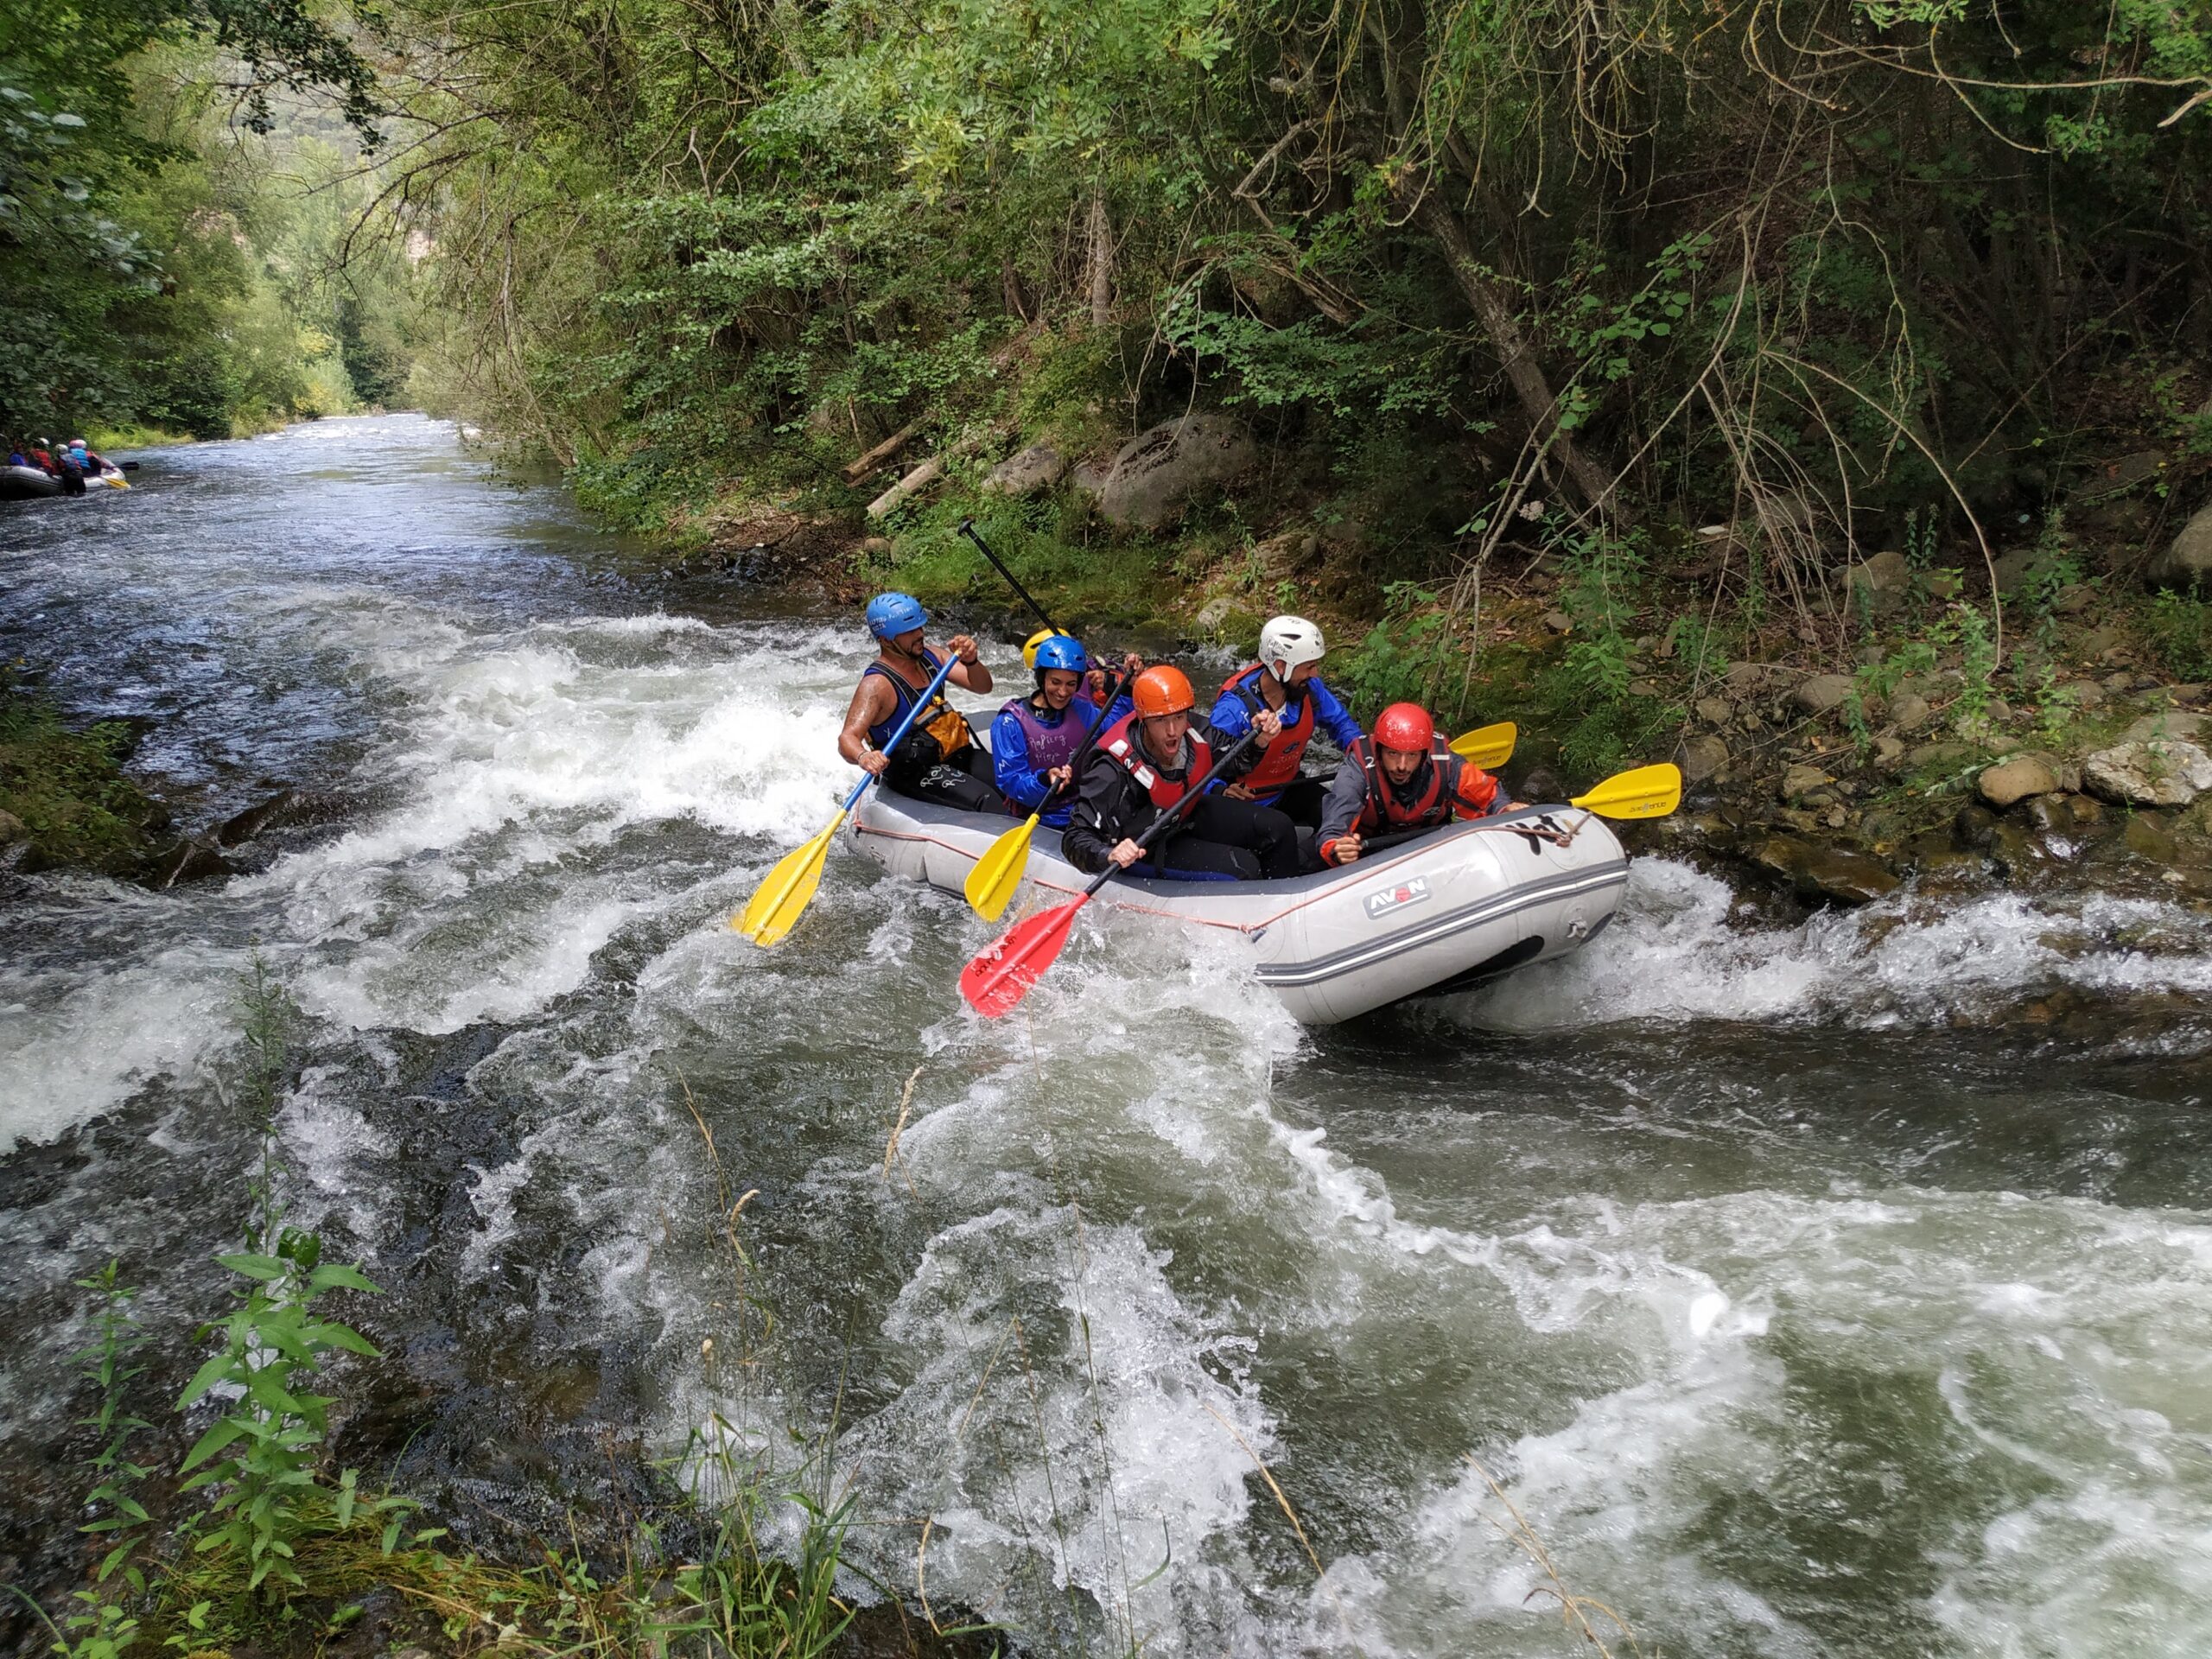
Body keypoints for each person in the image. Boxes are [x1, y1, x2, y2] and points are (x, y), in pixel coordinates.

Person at [1063, 664, 1300, 881]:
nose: (1173, 731)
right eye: (1160, 720)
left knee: (1278, 827)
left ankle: (1289, 899)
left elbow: (1237, 763)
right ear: (1144, 719)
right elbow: (1074, 838)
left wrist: (1260, 740)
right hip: (1147, 846)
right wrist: (1109, 854)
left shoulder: (1194, 731)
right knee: (1244, 867)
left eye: (1178, 717)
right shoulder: (1111, 770)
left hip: (1185, 816)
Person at [837, 592, 1009, 814]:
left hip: (956, 755)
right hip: (915, 772)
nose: (919, 634)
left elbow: (983, 686)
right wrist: (864, 756)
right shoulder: (877, 685)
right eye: (909, 631)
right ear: (886, 640)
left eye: (920, 627)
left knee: (1012, 780)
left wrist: (971, 661)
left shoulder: (933, 657)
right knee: (987, 801)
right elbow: (847, 738)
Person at [1314, 702, 1522, 867]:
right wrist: (1337, 849)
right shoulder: (1357, 769)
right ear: (1379, 750)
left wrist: (1506, 809)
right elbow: (1333, 829)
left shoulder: (1447, 764)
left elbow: (1490, 799)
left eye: (1412, 755)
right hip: (1371, 852)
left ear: (1424, 754)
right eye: (1392, 754)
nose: (1401, 766)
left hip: (1428, 848)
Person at [1209, 613, 1363, 827]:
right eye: (1309, 667)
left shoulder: (1309, 689)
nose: (1315, 673)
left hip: (1286, 788)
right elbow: (1203, 764)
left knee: (1341, 814)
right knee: (1280, 829)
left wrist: (1363, 755)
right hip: (1245, 803)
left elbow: (1341, 724)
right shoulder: (1233, 708)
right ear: (1281, 666)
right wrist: (1219, 790)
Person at [991, 634, 1140, 828]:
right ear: (1041, 678)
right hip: (1034, 818)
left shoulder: (1080, 710)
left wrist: (1127, 686)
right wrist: (1045, 780)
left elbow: (1116, 727)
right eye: (1055, 682)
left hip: (1081, 812)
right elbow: (1012, 782)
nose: (1062, 692)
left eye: (1071, 684)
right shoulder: (1010, 723)